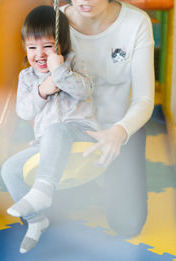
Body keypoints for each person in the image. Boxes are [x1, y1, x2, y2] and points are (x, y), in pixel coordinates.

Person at [1, 5, 98, 253]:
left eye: (47, 46)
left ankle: (42, 191)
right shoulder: (27, 77)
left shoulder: (74, 63)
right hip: (47, 141)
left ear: (61, 44)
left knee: (57, 129)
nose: (39, 54)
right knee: (9, 169)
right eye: (32, 48)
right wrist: (42, 90)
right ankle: (36, 220)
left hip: (80, 133)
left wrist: (60, 71)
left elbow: (84, 91)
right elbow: (24, 111)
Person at [60, 0, 155, 237]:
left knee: (128, 225)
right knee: (44, 217)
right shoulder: (54, 20)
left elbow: (144, 99)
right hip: (71, 128)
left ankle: (110, 181)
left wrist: (119, 132)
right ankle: (87, 184)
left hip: (120, 129)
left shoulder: (136, 23)